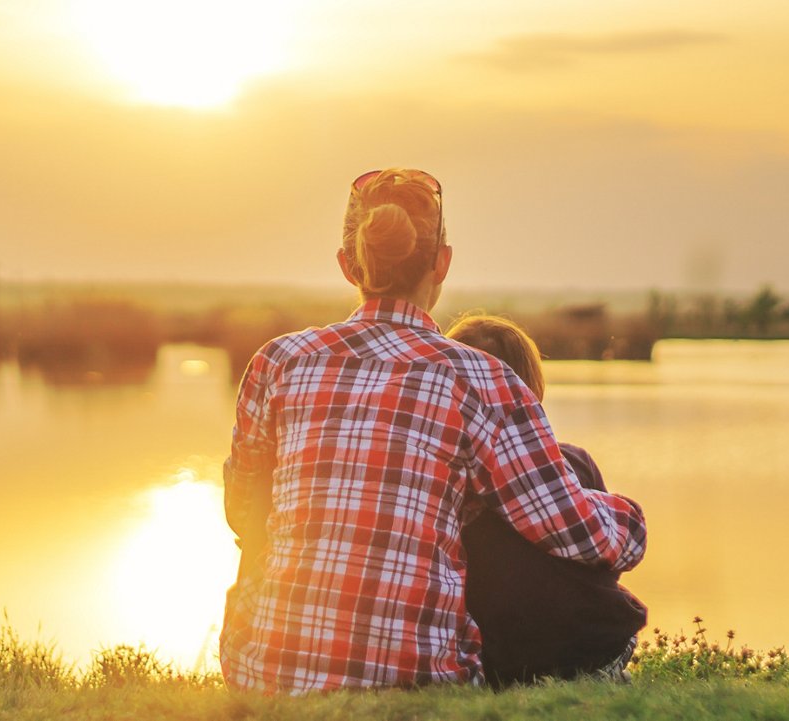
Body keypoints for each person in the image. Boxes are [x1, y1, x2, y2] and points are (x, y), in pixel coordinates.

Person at [219, 168, 646, 693]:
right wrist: (629, 521)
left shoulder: (277, 362)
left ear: (347, 264)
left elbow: (242, 510)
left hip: (266, 673)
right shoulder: (482, 379)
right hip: (420, 679)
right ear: (442, 263)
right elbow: (578, 533)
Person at [445, 314, 647, 688]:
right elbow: (604, 562)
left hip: (496, 656)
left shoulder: (446, 478)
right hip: (594, 639)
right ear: (532, 392)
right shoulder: (571, 463)